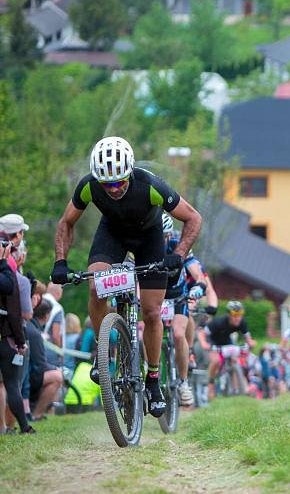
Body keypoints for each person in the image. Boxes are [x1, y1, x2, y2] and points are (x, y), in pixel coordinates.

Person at [50, 136, 203, 418]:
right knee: (96, 287)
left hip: (150, 238)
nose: (115, 189)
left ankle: (154, 379)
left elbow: (193, 218)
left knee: (153, 311)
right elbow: (66, 222)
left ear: (129, 172)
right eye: (108, 185)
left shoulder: (150, 186)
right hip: (113, 235)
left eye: (120, 182)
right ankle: (104, 349)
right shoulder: (89, 186)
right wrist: (60, 261)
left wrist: (179, 254)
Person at [162, 214, 207, 407]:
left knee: (179, 335)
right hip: (154, 299)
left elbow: (197, 273)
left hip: (177, 296)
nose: (161, 241)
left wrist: (198, 287)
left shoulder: (178, 243)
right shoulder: (145, 245)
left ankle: (183, 382)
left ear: (170, 234)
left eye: (165, 236)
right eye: (158, 236)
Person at [0, 241, 33, 433]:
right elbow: (15, 315)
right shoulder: (10, 278)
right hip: (5, 339)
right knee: (12, 385)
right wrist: (20, 342)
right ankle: (24, 426)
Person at [198, 301, 256, 400]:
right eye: (235, 315)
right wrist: (204, 344)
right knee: (215, 361)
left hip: (227, 341)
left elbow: (248, 338)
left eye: (240, 315)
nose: (237, 318)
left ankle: (237, 389)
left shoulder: (242, 322)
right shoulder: (218, 322)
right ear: (229, 315)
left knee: (235, 359)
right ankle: (211, 383)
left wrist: (251, 343)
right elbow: (201, 333)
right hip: (213, 341)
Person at [25, 299, 63, 421]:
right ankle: (37, 414)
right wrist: (54, 368)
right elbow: (40, 365)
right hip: (28, 376)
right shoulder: (35, 333)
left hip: (25, 372)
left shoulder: (29, 326)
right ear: (46, 315)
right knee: (58, 377)